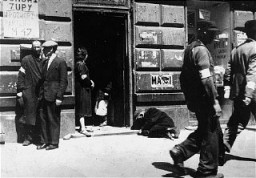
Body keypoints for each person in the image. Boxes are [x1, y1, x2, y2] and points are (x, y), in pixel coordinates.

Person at [169, 20, 224, 178]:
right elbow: (206, 79)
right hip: (205, 99)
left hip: (196, 99)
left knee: (204, 130)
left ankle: (180, 151)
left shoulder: (190, 48)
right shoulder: (201, 50)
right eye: (212, 33)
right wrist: (214, 101)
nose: (214, 37)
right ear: (204, 33)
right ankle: (207, 171)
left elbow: (183, 77)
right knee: (211, 131)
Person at [223, 20, 256, 153]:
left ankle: (224, 143)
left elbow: (228, 72)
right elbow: (252, 73)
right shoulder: (255, 48)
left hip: (238, 93)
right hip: (252, 94)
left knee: (237, 121)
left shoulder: (236, 49)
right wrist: (249, 94)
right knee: (239, 120)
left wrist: (228, 89)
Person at [37, 40, 68, 150]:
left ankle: (54, 143)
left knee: (53, 119)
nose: (43, 51)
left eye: (45, 49)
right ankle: (45, 141)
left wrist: (59, 97)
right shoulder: (45, 62)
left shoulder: (60, 62)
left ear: (51, 49)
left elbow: (63, 81)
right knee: (44, 118)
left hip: (54, 96)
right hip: (44, 95)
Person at [16, 40, 43, 146]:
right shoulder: (26, 60)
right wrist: (20, 90)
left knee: (40, 116)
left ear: (41, 48)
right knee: (29, 115)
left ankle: (40, 138)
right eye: (35, 47)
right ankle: (28, 138)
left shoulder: (44, 60)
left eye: (38, 47)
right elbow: (21, 76)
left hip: (41, 92)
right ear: (32, 48)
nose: (37, 49)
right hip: (29, 91)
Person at [75, 47, 94, 136]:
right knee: (82, 108)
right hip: (83, 89)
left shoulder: (78, 64)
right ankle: (83, 128)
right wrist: (90, 83)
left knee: (82, 107)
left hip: (81, 88)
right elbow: (83, 77)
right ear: (85, 56)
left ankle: (82, 126)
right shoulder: (81, 65)